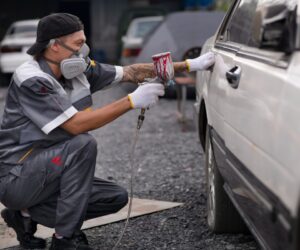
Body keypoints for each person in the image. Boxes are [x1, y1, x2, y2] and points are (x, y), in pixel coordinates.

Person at [0, 13, 215, 250]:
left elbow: (132, 72)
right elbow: (76, 125)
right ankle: (64, 240)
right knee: (82, 144)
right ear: (53, 46)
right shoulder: (33, 79)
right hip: (16, 176)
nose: (84, 51)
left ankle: (25, 215)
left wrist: (190, 65)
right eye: (78, 44)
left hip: (51, 169)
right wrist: (131, 101)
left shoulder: (75, 69)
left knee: (114, 197)